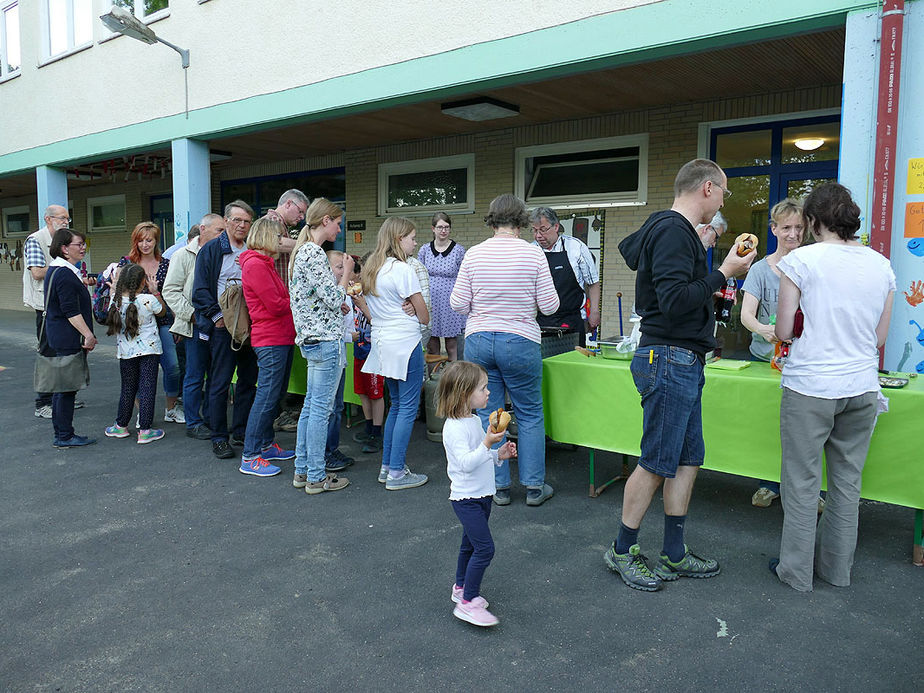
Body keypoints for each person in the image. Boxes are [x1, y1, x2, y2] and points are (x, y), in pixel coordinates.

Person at [607, 159, 754, 591]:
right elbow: (673, 300)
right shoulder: (673, 230)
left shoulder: (672, 231)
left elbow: (671, 286)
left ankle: (673, 553)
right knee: (656, 462)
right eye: (724, 192)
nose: (724, 200)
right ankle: (621, 549)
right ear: (707, 187)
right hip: (669, 358)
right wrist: (724, 271)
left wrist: (711, 266)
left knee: (687, 460)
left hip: (681, 358)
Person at [770, 182, 895, 592]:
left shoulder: (802, 261)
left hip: (811, 386)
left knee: (802, 483)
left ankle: (796, 573)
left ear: (812, 221)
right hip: (861, 385)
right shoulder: (881, 265)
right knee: (847, 484)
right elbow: (879, 338)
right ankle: (837, 572)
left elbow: (786, 330)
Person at [450, 194, 559, 507]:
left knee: (490, 412)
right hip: (521, 339)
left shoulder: (474, 254)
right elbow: (551, 306)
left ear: (492, 219)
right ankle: (534, 486)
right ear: (521, 222)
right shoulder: (534, 254)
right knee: (529, 413)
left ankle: (499, 486)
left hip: (479, 339)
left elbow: (458, 303)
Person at [740, 199, 811, 509]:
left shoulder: (813, 265)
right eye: (786, 228)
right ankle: (768, 483)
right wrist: (765, 330)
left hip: (806, 363)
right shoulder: (759, 270)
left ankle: (810, 491)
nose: (793, 234)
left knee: (808, 430)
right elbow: (746, 316)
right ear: (773, 230)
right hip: (764, 362)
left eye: (798, 227)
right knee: (767, 426)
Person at [436, 360, 517, 627]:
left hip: (481, 495)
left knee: (469, 545)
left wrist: (498, 455)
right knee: (485, 549)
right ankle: (468, 602)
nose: (488, 393)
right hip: (467, 499)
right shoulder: (454, 428)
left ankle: (461, 588)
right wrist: (487, 443)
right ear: (463, 393)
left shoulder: (471, 420)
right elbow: (465, 463)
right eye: (483, 388)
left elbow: (478, 457)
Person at [361, 217, 430, 491]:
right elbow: (425, 316)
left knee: (397, 405)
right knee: (407, 408)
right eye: (412, 237)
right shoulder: (403, 269)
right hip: (405, 342)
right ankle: (398, 473)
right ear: (399, 238)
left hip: (382, 342)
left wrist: (410, 307)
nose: (415, 242)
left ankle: (388, 467)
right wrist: (414, 308)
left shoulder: (372, 268)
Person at [289, 198, 352, 494]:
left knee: (310, 408)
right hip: (326, 341)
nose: (339, 229)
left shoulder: (303, 252)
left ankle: (304, 471)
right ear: (325, 220)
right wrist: (348, 273)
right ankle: (315, 475)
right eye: (337, 223)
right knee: (319, 411)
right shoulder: (314, 253)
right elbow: (335, 298)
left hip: (311, 340)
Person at [192, 200, 259, 459]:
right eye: (237, 220)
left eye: (246, 221)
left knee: (247, 380)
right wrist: (217, 318)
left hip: (251, 326)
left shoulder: (252, 249)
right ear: (227, 221)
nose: (242, 225)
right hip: (223, 328)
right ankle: (219, 436)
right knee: (219, 383)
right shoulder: (211, 250)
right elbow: (199, 291)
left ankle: (240, 430)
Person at [238, 216, 297, 477]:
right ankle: (250, 456)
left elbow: (281, 298)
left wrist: (288, 298)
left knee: (273, 396)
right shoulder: (256, 265)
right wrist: (294, 299)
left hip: (280, 336)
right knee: (266, 398)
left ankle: (264, 444)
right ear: (265, 237)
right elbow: (277, 304)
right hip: (271, 338)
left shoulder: (264, 263)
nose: (281, 242)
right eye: (277, 237)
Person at [163, 213, 226, 439]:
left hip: (218, 323)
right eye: (219, 230)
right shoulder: (183, 255)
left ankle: (210, 419)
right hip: (196, 325)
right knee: (195, 374)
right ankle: (194, 422)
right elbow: (170, 290)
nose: (223, 234)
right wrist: (192, 316)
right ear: (203, 229)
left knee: (215, 374)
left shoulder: (223, 253)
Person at [117, 222, 184, 425]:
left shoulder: (166, 263)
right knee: (136, 370)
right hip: (134, 323)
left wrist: (178, 322)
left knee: (172, 366)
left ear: (156, 241)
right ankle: (141, 412)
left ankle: (171, 408)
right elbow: (117, 292)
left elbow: (174, 292)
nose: (145, 245)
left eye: (149, 240)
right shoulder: (126, 263)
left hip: (163, 320)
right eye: (140, 240)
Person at [24, 204, 82, 419]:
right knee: (48, 353)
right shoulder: (35, 240)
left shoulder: (64, 241)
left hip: (63, 305)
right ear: (48, 219)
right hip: (45, 306)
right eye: (62, 218)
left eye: (68, 218)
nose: (66, 222)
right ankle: (43, 403)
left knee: (66, 352)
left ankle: (64, 396)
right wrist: (65, 266)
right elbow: (38, 272)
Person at [42, 227, 97, 448]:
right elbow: (70, 311)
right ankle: (64, 435)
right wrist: (88, 334)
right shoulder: (64, 274)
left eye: (84, 244)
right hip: (68, 338)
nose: (83, 247)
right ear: (64, 248)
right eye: (78, 244)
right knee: (65, 389)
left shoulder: (59, 270)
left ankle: (64, 433)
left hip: (59, 336)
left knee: (63, 388)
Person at [104, 263, 167, 444]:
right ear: (142, 282)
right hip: (150, 350)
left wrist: (114, 288)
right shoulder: (148, 299)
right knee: (147, 389)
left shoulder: (115, 301)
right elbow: (162, 312)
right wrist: (155, 292)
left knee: (128, 388)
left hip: (126, 353)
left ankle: (120, 426)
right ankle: (145, 430)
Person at [530, 206, 600, 347]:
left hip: (572, 321)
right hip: (538, 323)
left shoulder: (576, 248)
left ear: (556, 227)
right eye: (534, 230)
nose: (538, 235)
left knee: (573, 367)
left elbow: (593, 283)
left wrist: (594, 312)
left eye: (543, 229)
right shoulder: (529, 252)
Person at [323, 250, 358, 474]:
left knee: (336, 407)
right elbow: (329, 327)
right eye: (339, 267)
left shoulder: (344, 293)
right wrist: (349, 337)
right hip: (333, 352)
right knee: (328, 408)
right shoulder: (330, 293)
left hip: (340, 355)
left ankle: (332, 450)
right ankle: (326, 453)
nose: (344, 272)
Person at [350, 254, 386, 454]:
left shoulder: (378, 293)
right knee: (362, 390)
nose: (361, 274)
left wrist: (364, 308)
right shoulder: (357, 292)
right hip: (359, 348)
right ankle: (369, 425)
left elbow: (379, 320)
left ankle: (377, 432)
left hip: (374, 350)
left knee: (375, 391)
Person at [418, 212, 466, 360]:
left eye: (446, 227)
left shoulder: (458, 250)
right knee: (432, 346)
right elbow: (418, 275)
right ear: (433, 229)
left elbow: (463, 277)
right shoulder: (425, 250)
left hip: (450, 302)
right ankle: (433, 378)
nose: (443, 230)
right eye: (440, 227)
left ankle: (453, 380)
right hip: (430, 302)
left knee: (452, 344)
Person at [266, 188, 309, 283]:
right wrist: (308, 245)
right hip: (274, 291)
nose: (302, 217)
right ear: (288, 204)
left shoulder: (279, 223)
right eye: (300, 211)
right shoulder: (273, 219)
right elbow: (276, 242)